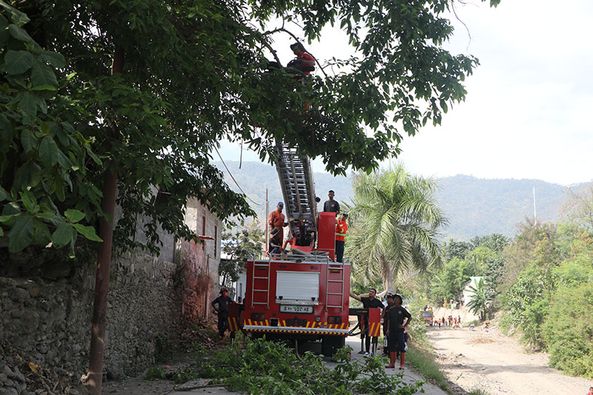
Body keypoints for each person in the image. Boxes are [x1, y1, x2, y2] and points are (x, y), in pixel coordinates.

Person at [351, 288, 384, 355]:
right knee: (367, 336)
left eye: (372, 292)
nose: (370, 293)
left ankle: (373, 351)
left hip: (374, 321)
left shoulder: (377, 301)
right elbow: (357, 297)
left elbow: (384, 308)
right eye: (369, 292)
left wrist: (381, 317)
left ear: (375, 294)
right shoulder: (365, 299)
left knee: (375, 336)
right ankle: (367, 351)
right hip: (366, 320)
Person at [384, 293, 412, 370]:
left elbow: (409, 317)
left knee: (401, 347)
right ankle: (392, 363)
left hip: (399, 331)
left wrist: (404, 325)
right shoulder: (391, 309)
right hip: (392, 331)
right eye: (394, 299)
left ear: (400, 301)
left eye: (397, 299)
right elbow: (389, 320)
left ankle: (402, 365)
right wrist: (388, 329)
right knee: (391, 347)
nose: (395, 300)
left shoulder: (402, 309)